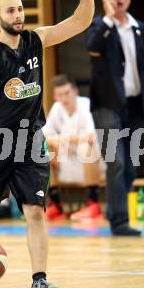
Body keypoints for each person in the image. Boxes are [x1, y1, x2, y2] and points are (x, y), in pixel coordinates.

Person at [0, 0, 94, 288]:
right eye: (10, 11)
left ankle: (39, 283)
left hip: (32, 141)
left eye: (20, 9)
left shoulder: (36, 40)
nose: (17, 15)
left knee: (35, 211)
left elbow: (80, 21)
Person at [86, 0, 144, 236]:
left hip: (135, 105)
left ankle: (114, 212)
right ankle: (119, 221)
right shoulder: (99, 27)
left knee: (131, 165)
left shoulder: (140, 29)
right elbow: (92, 47)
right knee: (116, 162)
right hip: (106, 106)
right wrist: (109, 20)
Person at [43, 74, 104, 221]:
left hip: (93, 163)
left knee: (85, 147)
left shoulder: (86, 105)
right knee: (45, 150)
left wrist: (62, 139)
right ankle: (56, 205)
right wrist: (53, 141)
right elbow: (43, 135)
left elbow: (90, 137)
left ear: (75, 92)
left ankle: (93, 204)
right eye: (60, 94)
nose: (64, 98)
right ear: (55, 96)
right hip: (68, 164)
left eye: (67, 93)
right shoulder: (57, 108)